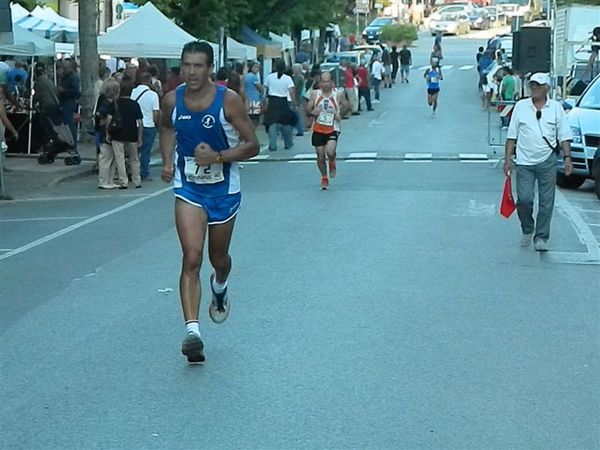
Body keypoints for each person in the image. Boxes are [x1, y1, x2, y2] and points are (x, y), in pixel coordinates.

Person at [159, 41, 259, 364]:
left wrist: (217, 157)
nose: (191, 72)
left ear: (210, 68)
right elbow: (165, 127)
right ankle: (192, 332)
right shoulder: (172, 100)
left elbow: (252, 145)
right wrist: (165, 161)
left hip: (223, 190)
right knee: (191, 257)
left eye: (198, 66)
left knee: (219, 258)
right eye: (186, 65)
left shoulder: (228, 102)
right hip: (188, 187)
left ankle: (220, 285)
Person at [503, 73, 573, 252]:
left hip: (547, 160)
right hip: (525, 161)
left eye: (538, 85)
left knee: (547, 201)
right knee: (524, 199)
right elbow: (512, 135)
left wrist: (567, 158)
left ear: (547, 89)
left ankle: (541, 237)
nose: (534, 88)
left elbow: (564, 135)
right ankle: (527, 228)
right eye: (532, 84)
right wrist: (508, 159)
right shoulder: (520, 106)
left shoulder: (556, 108)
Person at [307, 71, 343, 190]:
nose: (326, 84)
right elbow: (308, 110)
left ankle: (332, 162)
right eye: (324, 81)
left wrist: (339, 114)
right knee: (320, 156)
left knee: (330, 151)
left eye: (328, 81)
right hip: (318, 128)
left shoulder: (338, 94)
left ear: (332, 82)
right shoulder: (314, 94)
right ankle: (324, 176)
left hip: (333, 128)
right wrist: (313, 112)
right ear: (320, 82)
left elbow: (347, 106)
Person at [105, 78, 143, 189]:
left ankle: (123, 181)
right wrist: (140, 136)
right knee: (134, 158)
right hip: (132, 134)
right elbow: (140, 122)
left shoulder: (115, 104)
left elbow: (108, 120)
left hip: (117, 134)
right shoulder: (135, 104)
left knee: (119, 158)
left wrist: (108, 133)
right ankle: (137, 180)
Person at [132, 71, 160, 181]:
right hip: (149, 124)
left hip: (135, 124)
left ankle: (133, 171)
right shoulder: (153, 95)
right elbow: (156, 112)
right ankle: (144, 172)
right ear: (149, 81)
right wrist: (156, 123)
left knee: (135, 150)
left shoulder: (133, 92)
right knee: (146, 150)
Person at [264, 60, 296, 151]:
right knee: (285, 123)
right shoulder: (287, 78)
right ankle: (288, 143)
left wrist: (265, 101)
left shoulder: (269, 77)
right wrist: (294, 103)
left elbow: (265, 90)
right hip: (283, 101)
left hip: (272, 101)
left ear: (275, 67)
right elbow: (291, 91)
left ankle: (273, 144)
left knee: (272, 123)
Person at [96, 78, 121, 189]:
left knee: (111, 158)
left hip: (109, 132)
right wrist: (106, 132)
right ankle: (104, 180)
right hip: (106, 133)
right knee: (106, 157)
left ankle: (109, 179)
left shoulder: (109, 103)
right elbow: (102, 119)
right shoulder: (106, 105)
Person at [57, 59, 80, 149]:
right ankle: (66, 141)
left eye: (65, 68)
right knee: (65, 123)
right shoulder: (65, 77)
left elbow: (76, 92)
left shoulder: (73, 77)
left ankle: (72, 143)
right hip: (63, 101)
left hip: (69, 102)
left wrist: (64, 91)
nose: (63, 70)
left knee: (69, 123)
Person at [244, 61, 263, 128]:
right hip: (255, 99)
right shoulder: (253, 77)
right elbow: (259, 87)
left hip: (248, 99)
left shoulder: (246, 76)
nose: (257, 69)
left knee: (249, 117)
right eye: (255, 67)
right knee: (255, 118)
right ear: (251, 67)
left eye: (258, 67)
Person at [291, 63, 306, 135]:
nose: (293, 70)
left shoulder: (299, 77)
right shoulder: (297, 77)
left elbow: (295, 87)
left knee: (296, 114)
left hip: (296, 97)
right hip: (297, 97)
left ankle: (300, 129)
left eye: (294, 69)